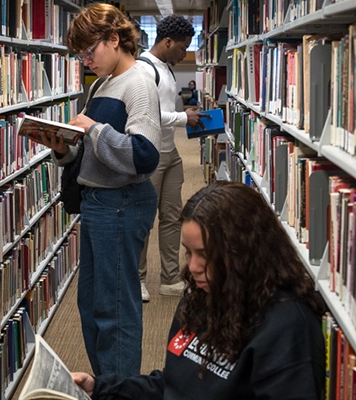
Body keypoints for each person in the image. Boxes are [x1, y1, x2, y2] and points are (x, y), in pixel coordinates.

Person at [71, 182, 328, 399]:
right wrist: (101, 388)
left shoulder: (288, 327)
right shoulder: (201, 298)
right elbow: (174, 386)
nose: (192, 268)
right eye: (188, 252)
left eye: (205, 256)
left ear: (245, 252)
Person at [33, 3, 161, 377]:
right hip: (98, 203)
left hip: (121, 203)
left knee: (115, 309)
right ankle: (107, 383)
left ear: (115, 39)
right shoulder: (103, 84)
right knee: (92, 305)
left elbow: (144, 155)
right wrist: (63, 148)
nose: (86, 60)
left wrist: (94, 129)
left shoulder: (139, 83)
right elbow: (91, 151)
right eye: (80, 54)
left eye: (91, 50)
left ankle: (119, 389)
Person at [136, 15, 203, 302]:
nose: (184, 53)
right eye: (182, 48)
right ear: (166, 41)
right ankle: (137, 278)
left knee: (172, 216)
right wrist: (182, 117)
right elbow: (145, 115)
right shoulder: (143, 69)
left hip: (170, 153)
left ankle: (170, 278)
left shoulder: (167, 68)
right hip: (150, 153)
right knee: (143, 220)